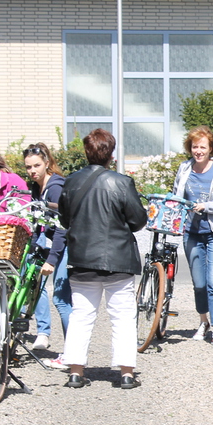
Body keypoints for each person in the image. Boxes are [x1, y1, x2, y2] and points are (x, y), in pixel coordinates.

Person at [58, 129, 146, 389]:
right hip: (118, 259)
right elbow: (138, 220)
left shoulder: (71, 182)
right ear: (111, 153)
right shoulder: (122, 183)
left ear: (86, 152)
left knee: (81, 316)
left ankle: (76, 372)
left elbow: (65, 219)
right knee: (123, 316)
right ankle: (126, 374)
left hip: (82, 258)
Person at [172, 126, 213, 347]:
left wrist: (206, 206)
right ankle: (203, 321)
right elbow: (177, 197)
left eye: (202, 147)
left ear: (211, 149)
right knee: (199, 284)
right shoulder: (184, 169)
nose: (198, 151)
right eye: (194, 147)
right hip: (191, 232)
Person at [23, 143, 72, 368]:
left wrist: (51, 260)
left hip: (67, 245)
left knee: (61, 299)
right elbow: (38, 223)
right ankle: (63, 347)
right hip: (54, 244)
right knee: (33, 282)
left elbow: (62, 228)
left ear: (46, 163)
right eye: (28, 167)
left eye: (36, 166)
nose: (32, 171)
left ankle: (73, 354)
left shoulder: (55, 188)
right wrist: (34, 248)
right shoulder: (36, 187)